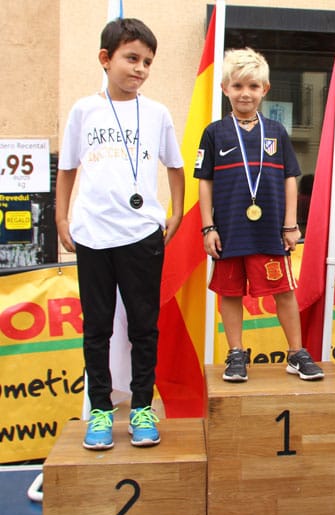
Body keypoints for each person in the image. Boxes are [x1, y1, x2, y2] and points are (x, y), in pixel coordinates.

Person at [55, 18, 185, 450]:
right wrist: (62, 219)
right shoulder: (83, 111)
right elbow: (67, 169)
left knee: (143, 328)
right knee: (97, 329)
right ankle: (100, 410)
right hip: (93, 235)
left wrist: (176, 212)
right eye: (132, 59)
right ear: (105, 59)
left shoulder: (157, 113)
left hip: (142, 235)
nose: (140, 69)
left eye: (147, 62)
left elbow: (176, 167)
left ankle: (142, 408)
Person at [195, 48, 323, 382]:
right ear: (225, 88)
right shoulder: (214, 132)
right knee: (230, 292)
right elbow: (205, 182)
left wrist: (291, 224)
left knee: (284, 291)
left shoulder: (276, 131)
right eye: (237, 86)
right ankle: (236, 353)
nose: (245, 93)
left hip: (270, 229)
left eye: (253, 86)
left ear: (264, 89)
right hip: (229, 230)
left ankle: (296, 352)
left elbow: (290, 178)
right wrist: (208, 227)